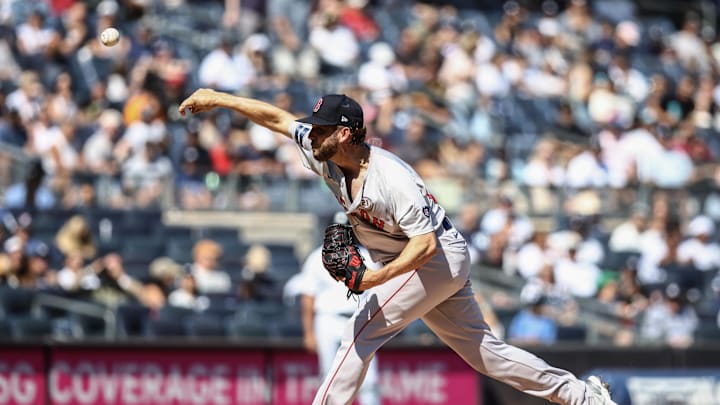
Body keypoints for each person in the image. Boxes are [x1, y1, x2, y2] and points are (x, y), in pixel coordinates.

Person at [178, 89, 617, 405]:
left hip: (435, 254)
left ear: (346, 133)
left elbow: (424, 246)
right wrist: (218, 98)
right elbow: (276, 119)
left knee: (358, 333)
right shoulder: (321, 152)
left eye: (322, 129)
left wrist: (375, 278)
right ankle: (581, 396)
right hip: (413, 255)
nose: (311, 135)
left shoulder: (392, 178)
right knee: (484, 352)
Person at [299, 211, 381, 405]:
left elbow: (379, 294)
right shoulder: (316, 258)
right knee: (329, 376)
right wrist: (309, 333)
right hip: (328, 319)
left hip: (359, 319)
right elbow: (308, 297)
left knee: (369, 379)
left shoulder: (367, 257)